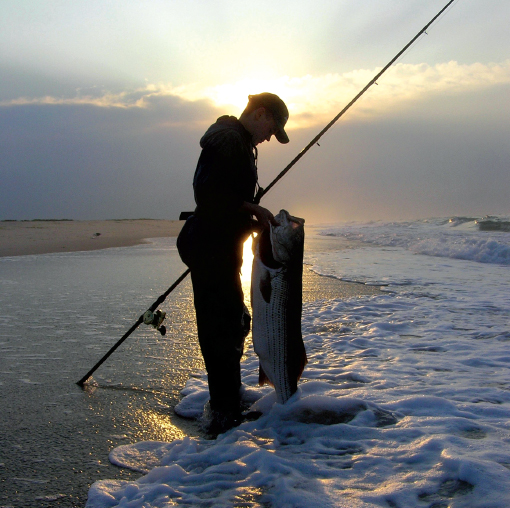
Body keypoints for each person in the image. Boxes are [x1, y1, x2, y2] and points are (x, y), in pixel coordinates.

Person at [177, 92, 289, 432]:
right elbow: (208, 194)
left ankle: (226, 397)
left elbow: (225, 200)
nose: (271, 136)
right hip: (209, 246)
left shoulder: (237, 141)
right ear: (259, 114)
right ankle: (223, 412)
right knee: (221, 328)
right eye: (273, 127)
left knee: (234, 322)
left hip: (219, 245)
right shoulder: (228, 139)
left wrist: (252, 220)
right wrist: (251, 209)